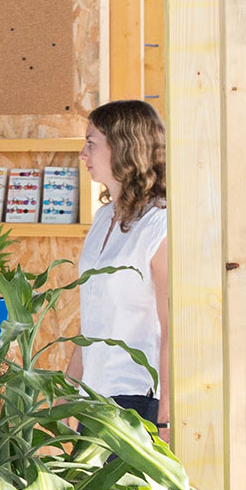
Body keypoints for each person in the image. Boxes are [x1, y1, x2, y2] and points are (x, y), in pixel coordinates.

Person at [69, 99, 171, 427]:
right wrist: (67, 388)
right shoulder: (102, 218)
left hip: (136, 399)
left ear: (124, 147)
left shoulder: (160, 224)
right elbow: (94, 315)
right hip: (93, 395)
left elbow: (172, 328)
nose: (83, 155)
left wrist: (168, 416)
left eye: (91, 143)